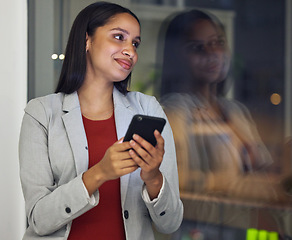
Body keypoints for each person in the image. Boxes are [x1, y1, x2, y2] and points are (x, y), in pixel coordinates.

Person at [19, 2, 183, 239]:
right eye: (119, 37)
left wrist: (154, 178)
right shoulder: (41, 113)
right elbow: (39, 220)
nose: (131, 51)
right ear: (87, 40)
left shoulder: (148, 109)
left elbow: (171, 224)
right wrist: (99, 173)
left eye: (135, 43)